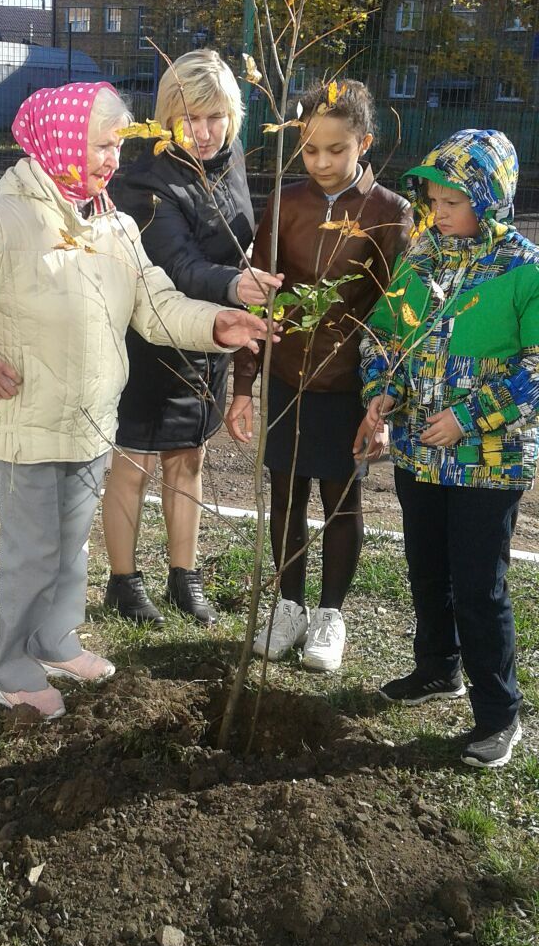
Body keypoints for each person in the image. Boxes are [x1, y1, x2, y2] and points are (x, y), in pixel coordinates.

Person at [0, 81, 271, 720]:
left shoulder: (113, 225)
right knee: (31, 553)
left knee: (71, 545)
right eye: (99, 146)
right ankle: (12, 669)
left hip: (94, 421)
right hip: (31, 426)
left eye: (116, 146)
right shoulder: (5, 221)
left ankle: (55, 639)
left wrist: (216, 323)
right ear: (61, 141)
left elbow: (154, 306)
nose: (110, 161)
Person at [361, 129, 539, 768]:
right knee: (427, 566)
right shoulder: (421, 258)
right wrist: (380, 393)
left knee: (478, 584)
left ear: (489, 200)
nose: (436, 212)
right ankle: (438, 668)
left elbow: (537, 367)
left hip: (488, 463)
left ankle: (499, 714)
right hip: (417, 451)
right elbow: (382, 336)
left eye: (451, 202)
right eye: (432, 200)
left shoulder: (524, 269)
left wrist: (469, 418)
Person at [228, 80, 411, 671]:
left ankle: (329, 614)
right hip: (287, 377)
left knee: (341, 499)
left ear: (366, 141)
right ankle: (288, 605)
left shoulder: (389, 214)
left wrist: (382, 402)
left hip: (348, 386)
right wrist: (244, 384)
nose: (323, 162)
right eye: (310, 150)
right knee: (284, 493)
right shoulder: (287, 203)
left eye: (337, 149)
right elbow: (259, 297)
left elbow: (397, 316)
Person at [101, 50, 282, 627]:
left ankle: (185, 577)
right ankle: (124, 582)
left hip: (209, 338)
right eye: (190, 119)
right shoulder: (145, 181)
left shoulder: (228, 164)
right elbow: (175, 265)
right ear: (167, 117)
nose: (204, 133)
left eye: (216, 118)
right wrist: (237, 284)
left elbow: (234, 236)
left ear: (233, 116)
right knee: (133, 465)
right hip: (152, 341)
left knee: (190, 458)